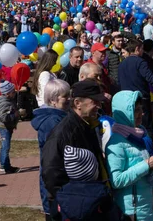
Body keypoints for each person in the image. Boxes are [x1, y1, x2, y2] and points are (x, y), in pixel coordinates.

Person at [41, 79, 109, 215]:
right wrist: (71, 202)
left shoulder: (87, 124)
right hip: (74, 208)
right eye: (94, 102)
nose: (99, 106)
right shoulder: (63, 132)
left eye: (100, 102)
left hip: (90, 202)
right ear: (78, 103)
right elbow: (51, 173)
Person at [105, 90, 153, 220]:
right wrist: (146, 164)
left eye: (141, 109)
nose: (141, 114)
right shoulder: (116, 142)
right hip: (132, 211)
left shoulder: (141, 134)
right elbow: (116, 181)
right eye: (135, 110)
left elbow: (147, 174)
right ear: (125, 113)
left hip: (150, 206)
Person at [31, 79, 70, 219]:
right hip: (54, 181)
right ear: (53, 100)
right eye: (66, 96)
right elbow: (54, 156)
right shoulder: (52, 122)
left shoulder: (60, 118)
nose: (69, 99)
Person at [117, 39, 153, 142]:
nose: (142, 51)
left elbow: (119, 82)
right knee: (147, 127)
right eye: (141, 49)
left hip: (126, 99)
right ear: (137, 49)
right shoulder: (140, 62)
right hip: (140, 99)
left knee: (130, 126)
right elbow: (149, 77)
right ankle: (148, 151)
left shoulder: (122, 64)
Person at [56, 146, 118, 221]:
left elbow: (54, 214)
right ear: (91, 171)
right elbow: (114, 216)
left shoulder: (62, 193)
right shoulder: (102, 193)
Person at [0, 80, 20, 174]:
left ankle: (5, 165)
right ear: (7, 94)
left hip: (8, 127)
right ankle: (5, 166)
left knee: (5, 146)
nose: (14, 93)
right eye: (12, 92)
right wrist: (15, 115)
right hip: (4, 127)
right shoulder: (4, 103)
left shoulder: (9, 100)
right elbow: (3, 117)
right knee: (5, 146)